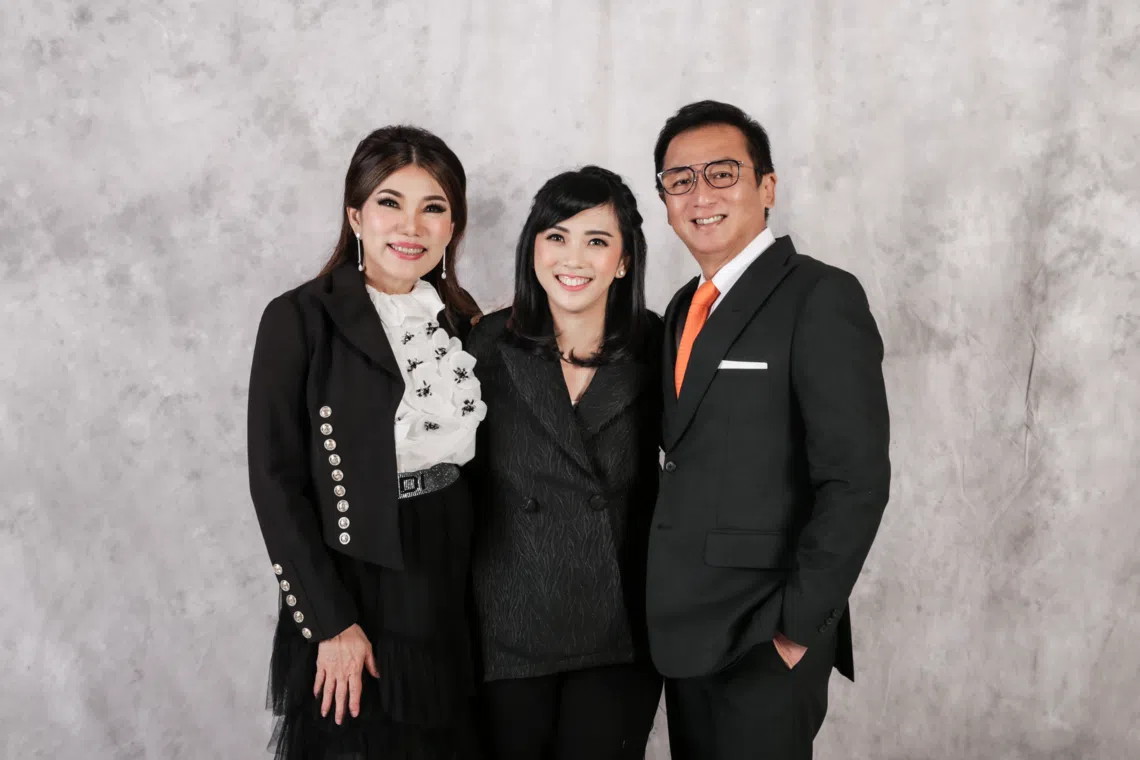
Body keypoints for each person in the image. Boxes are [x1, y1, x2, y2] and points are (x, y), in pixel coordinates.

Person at [645, 100, 892, 759]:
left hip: (765, 631)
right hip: (684, 630)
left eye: (722, 173)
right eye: (680, 180)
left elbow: (856, 479)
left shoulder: (820, 297)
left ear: (767, 187)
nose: (700, 194)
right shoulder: (678, 309)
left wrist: (796, 629)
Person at [246, 125, 487, 760]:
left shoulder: (462, 322)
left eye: (433, 207)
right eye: (390, 202)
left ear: (452, 225)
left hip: (453, 567)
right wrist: (330, 622)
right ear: (355, 215)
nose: (411, 226)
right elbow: (275, 481)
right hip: (357, 573)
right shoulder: (299, 318)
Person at [464, 166, 664, 760]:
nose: (572, 258)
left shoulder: (657, 347)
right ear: (533, 249)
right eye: (556, 236)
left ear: (624, 261)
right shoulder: (485, 345)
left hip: (619, 632)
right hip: (506, 625)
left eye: (597, 241)